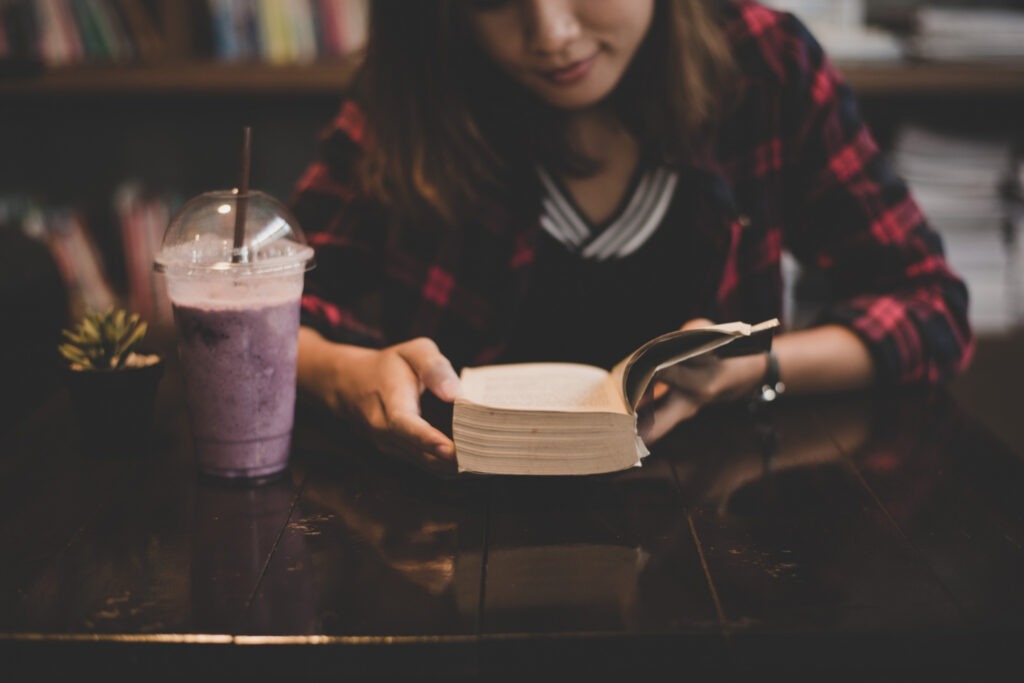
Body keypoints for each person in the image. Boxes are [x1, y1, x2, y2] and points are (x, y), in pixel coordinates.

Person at [290, 0, 973, 474]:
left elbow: (929, 305)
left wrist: (747, 371)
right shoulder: (420, 87)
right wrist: (343, 375)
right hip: (455, 536)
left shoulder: (765, 66)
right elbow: (260, 311)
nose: (552, 34)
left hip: (725, 538)